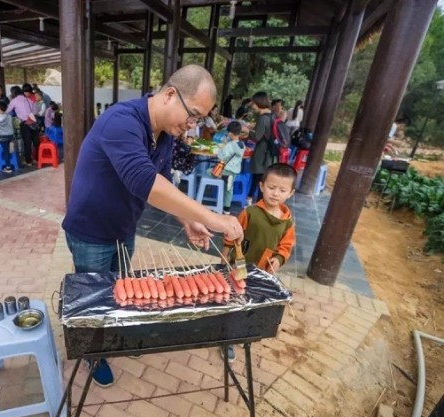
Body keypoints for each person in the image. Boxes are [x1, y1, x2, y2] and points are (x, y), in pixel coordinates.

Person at [62, 64, 244, 387]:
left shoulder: (165, 134)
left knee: (121, 289)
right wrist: (211, 218)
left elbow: (162, 179)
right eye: (193, 116)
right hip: (91, 228)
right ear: (170, 94)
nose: (191, 127)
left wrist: (187, 220)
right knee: (95, 298)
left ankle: (113, 337)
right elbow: (144, 180)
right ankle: (93, 352)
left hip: (123, 228)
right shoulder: (122, 122)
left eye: (198, 121)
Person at [220, 163, 296, 361]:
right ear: (262, 186)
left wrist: (278, 260)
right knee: (235, 299)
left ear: (291, 193)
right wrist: (224, 254)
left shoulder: (287, 221)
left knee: (253, 301)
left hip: (264, 270)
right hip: (241, 265)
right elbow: (232, 234)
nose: (275, 194)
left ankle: (242, 330)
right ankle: (226, 337)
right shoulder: (250, 212)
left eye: (282, 190)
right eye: (271, 188)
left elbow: (286, 246)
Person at [209, 121, 246, 215]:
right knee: (229, 189)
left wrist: (224, 146)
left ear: (229, 133)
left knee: (208, 171)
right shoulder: (242, 144)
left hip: (226, 170)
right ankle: (227, 209)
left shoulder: (229, 145)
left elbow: (221, 157)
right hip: (235, 171)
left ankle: (222, 177)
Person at [247, 91, 274, 205]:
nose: (252, 106)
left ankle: (258, 204)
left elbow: (258, 137)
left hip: (262, 153)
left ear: (258, 102)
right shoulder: (271, 115)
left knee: (259, 180)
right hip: (269, 153)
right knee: (261, 179)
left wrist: (247, 131)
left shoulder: (263, 118)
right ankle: (256, 202)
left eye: (253, 103)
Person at [7, 86, 39, 166]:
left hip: (24, 123)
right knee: (35, 141)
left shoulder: (14, 101)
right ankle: (37, 159)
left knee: (27, 142)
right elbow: (34, 111)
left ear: (13, 93)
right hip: (33, 121)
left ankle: (28, 161)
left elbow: (7, 111)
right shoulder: (28, 100)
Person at [0, 99, 20, 174]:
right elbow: (15, 125)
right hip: (10, 136)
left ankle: (8, 167)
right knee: (11, 150)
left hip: (2, 137)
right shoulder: (10, 117)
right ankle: (16, 164)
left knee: (6, 152)